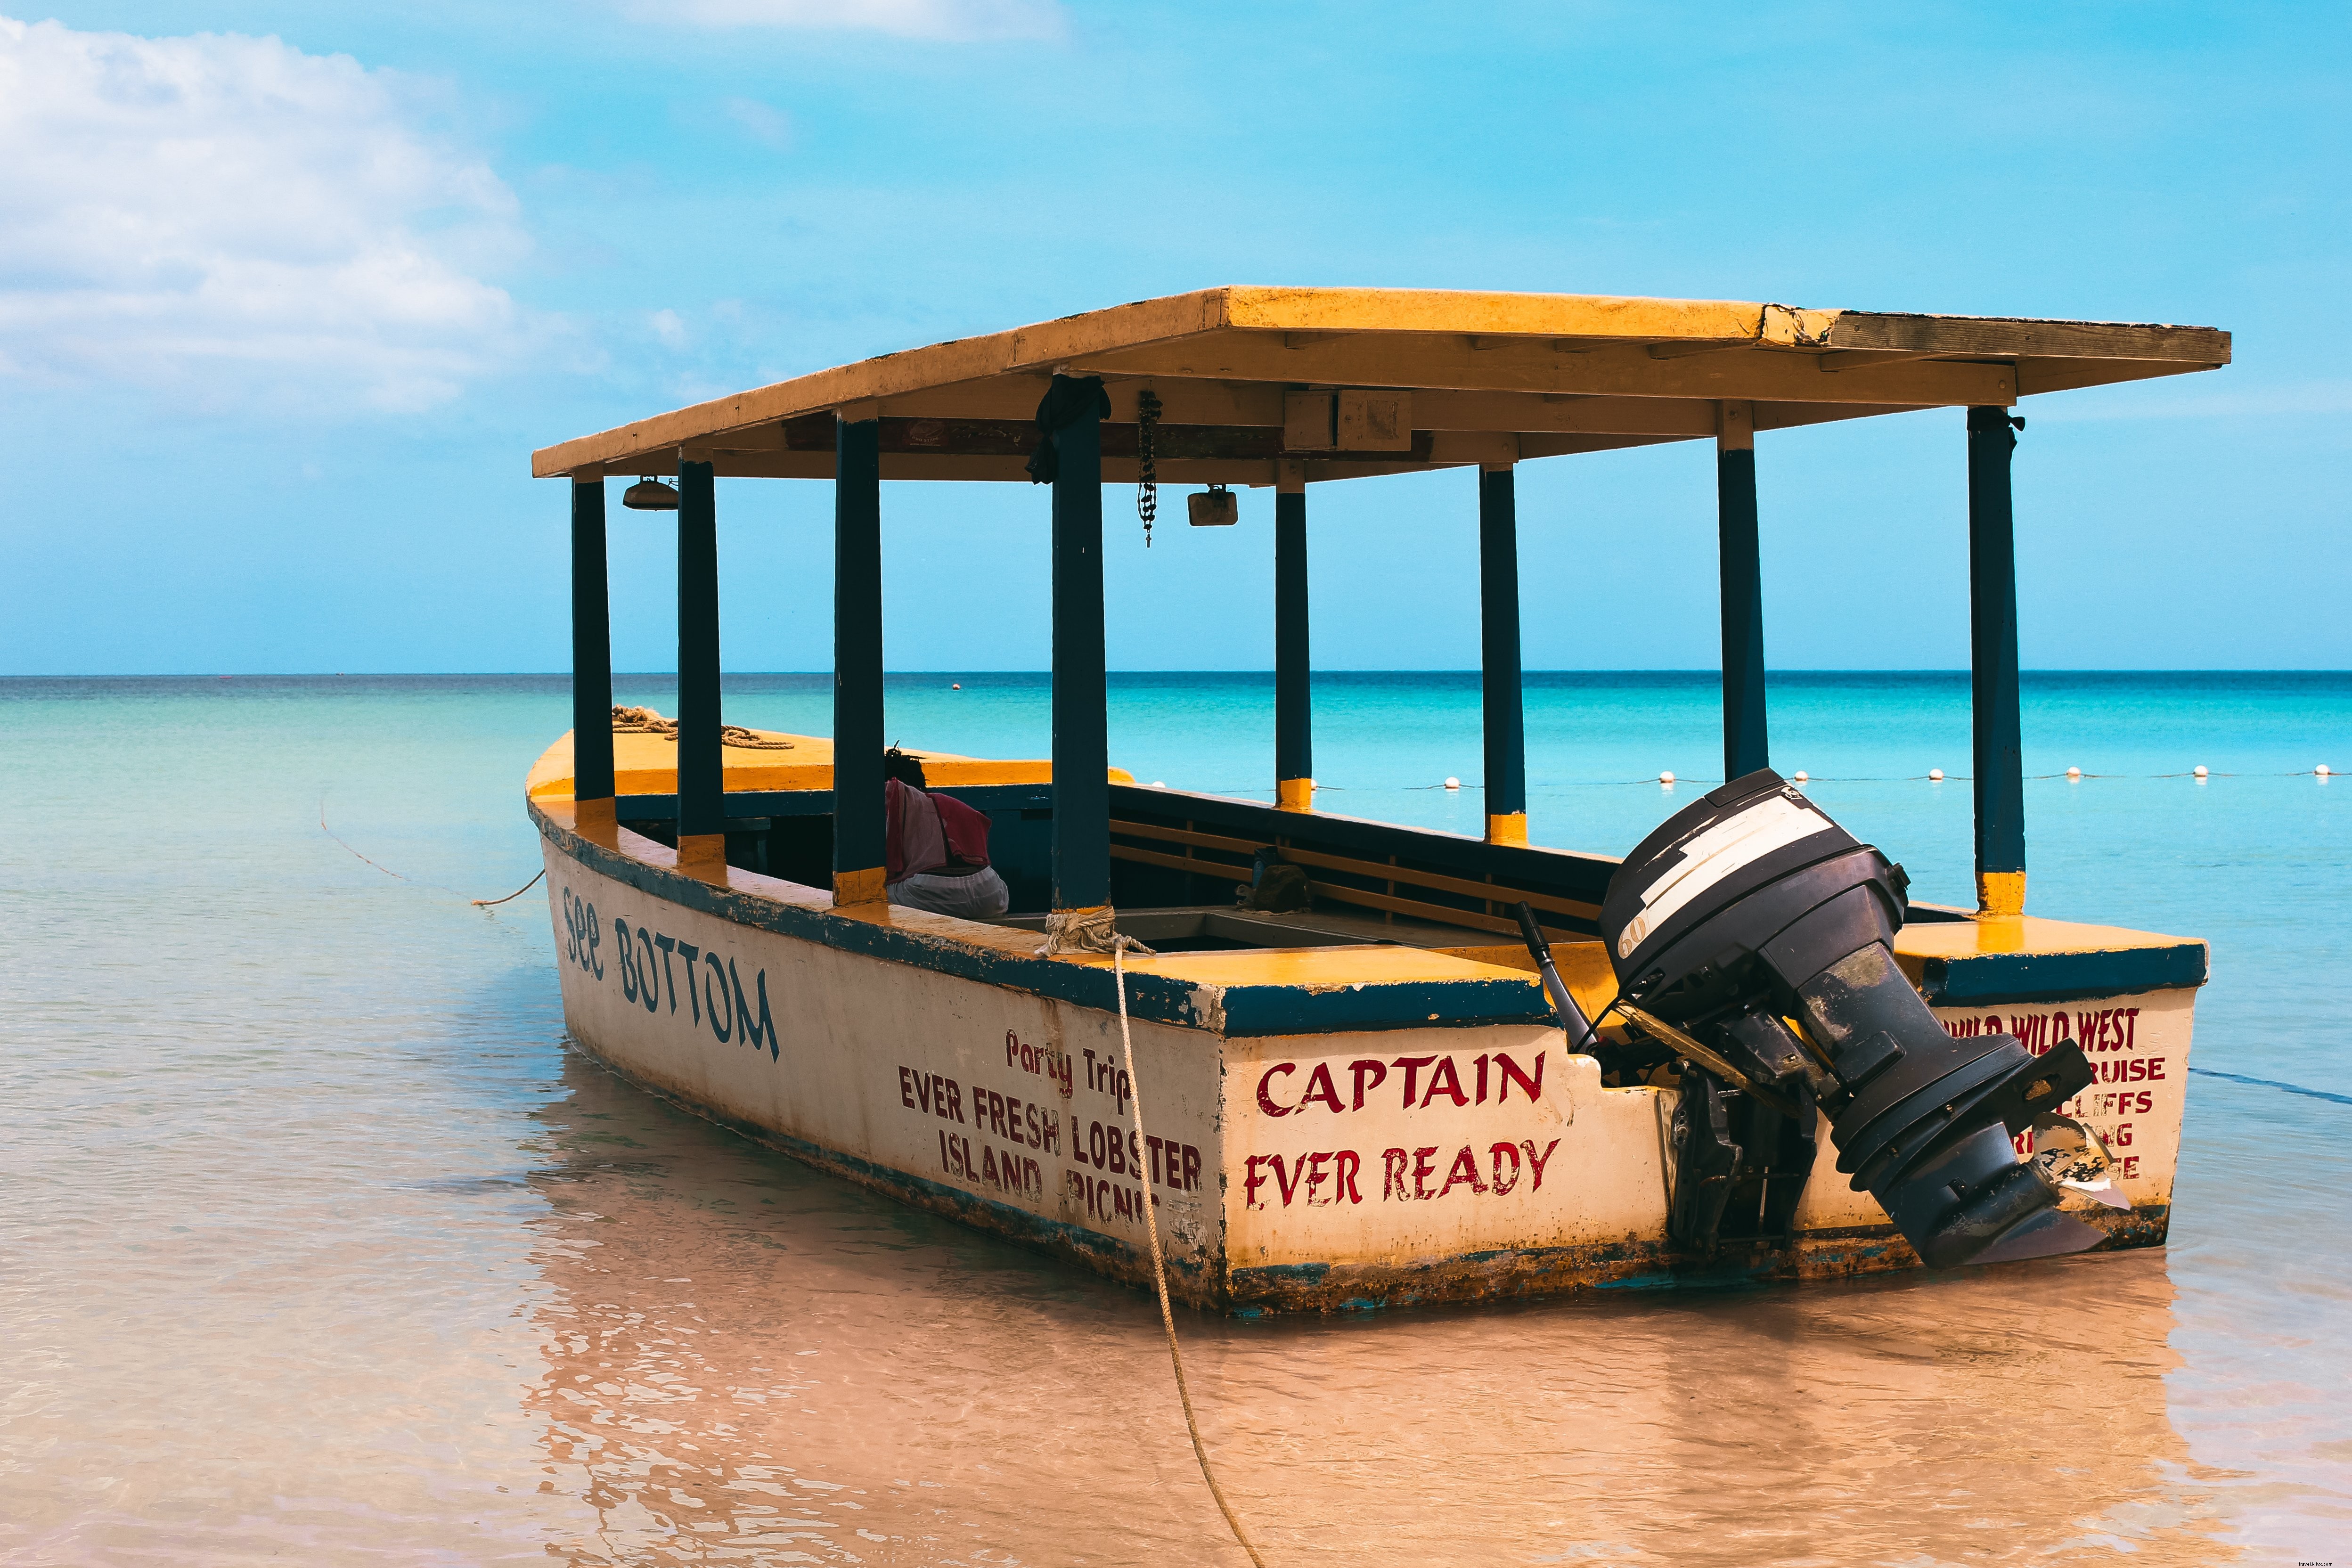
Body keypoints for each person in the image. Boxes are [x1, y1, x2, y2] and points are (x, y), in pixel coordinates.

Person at [883, 749, 1011, 918]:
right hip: (990, 892)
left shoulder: (894, 802)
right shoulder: (948, 803)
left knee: (869, 897)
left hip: (929, 892)